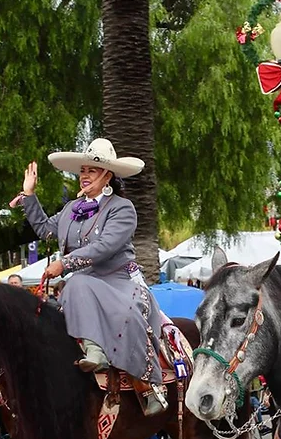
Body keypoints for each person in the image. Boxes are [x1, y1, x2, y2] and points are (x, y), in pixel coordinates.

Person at [12, 139, 167, 416]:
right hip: (82, 284)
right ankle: (91, 355)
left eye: (92, 170)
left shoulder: (122, 208)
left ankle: (148, 383)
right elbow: (48, 230)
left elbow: (105, 246)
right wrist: (29, 195)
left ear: (107, 175)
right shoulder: (72, 208)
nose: (84, 175)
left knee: (126, 313)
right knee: (74, 287)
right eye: (82, 170)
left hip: (118, 280)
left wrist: (66, 263)